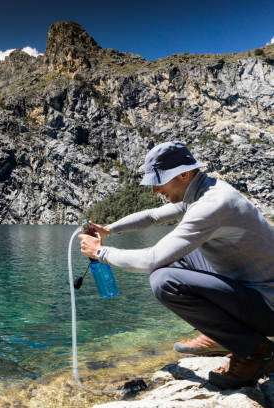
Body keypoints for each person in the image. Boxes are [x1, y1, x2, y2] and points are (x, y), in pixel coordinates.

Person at [78, 141, 274, 389]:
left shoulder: (212, 204)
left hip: (268, 306)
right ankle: (225, 336)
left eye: (158, 181)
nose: (154, 189)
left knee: (164, 280)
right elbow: (152, 216)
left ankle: (255, 352)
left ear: (183, 174)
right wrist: (109, 230)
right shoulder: (205, 190)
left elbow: (151, 260)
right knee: (178, 259)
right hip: (255, 290)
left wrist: (101, 252)